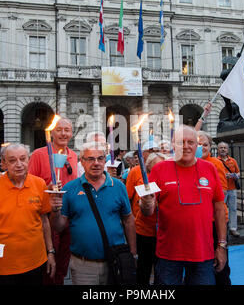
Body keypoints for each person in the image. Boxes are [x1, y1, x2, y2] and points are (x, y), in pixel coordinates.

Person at [140, 125, 227, 285]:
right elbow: (147, 211)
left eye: (190, 142)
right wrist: (146, 202)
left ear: (197, 145)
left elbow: (220, 208)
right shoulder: (159, 169)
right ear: (173, 145)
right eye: (181, 142)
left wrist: (221, 245)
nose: (186, 146)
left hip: (203, 253)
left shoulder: (210, 168)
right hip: (168, 254)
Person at [50, 141, 136, 285]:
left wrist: (132, 254)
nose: (96, 163)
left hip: (116, 261)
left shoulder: (118, 186)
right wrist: (54, 210)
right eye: (90, 159)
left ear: (105, 160)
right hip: (83, 265)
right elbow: (58, 226)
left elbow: (128, 220)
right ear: (82, 162)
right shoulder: (70, 188)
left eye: (100, 158)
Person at [0, 144, 55, 285]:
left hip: (36, 261)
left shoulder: (39, 184)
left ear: (28, 160)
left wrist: (50, 252)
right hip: (5, 264)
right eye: (12, 160)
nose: (19, 165)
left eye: (23, 159)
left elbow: (44, 221)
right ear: (3, 163)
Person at [28, 117, 77, 285]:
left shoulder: (74, 156)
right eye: (59, 129)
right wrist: (46, 188)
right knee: (49, 266)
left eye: (67, 130)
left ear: (72, 133)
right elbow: (29, 186)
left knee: (63, 263)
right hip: (47, 217)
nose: (63, 133)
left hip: (69, 216)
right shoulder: (38, 154)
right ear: (52, 133)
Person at [199, 132, 232, 285]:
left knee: (220, 265)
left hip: (214, 220)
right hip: (199, 222)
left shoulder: (215, 163)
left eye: (205, 144)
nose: (201, 147)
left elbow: (222, 193)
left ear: (210, 147)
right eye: (198, 144)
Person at [133, 152, 168, 285]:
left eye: (163, 166)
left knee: (162, 270)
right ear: (148, 168)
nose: (160, 170)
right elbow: (140, 206)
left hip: (165, 234)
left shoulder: (168, 182)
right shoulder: (144, 183)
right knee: (144, 269)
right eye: (156, 167)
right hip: (145, 233)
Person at [126, 140, 159, 214]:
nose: (153, 154)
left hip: (159, 220)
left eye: (156, 151)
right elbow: (127, 197)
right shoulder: (135, 171)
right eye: (150, 151)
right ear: (143, 154)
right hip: (139, 219)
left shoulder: (162, 169)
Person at [217, 142, 241, 237]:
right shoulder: (216, 161)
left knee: (233, 209)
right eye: (221, 148)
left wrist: (235, 175)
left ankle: (233, 228)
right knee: (221, 210)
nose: (223, 149)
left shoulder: (233, 161)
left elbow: (238, 173)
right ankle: (221, 227)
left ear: (227, 150)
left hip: (232, 188)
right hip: (221, 189)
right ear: (218, 150)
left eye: (225, 148)